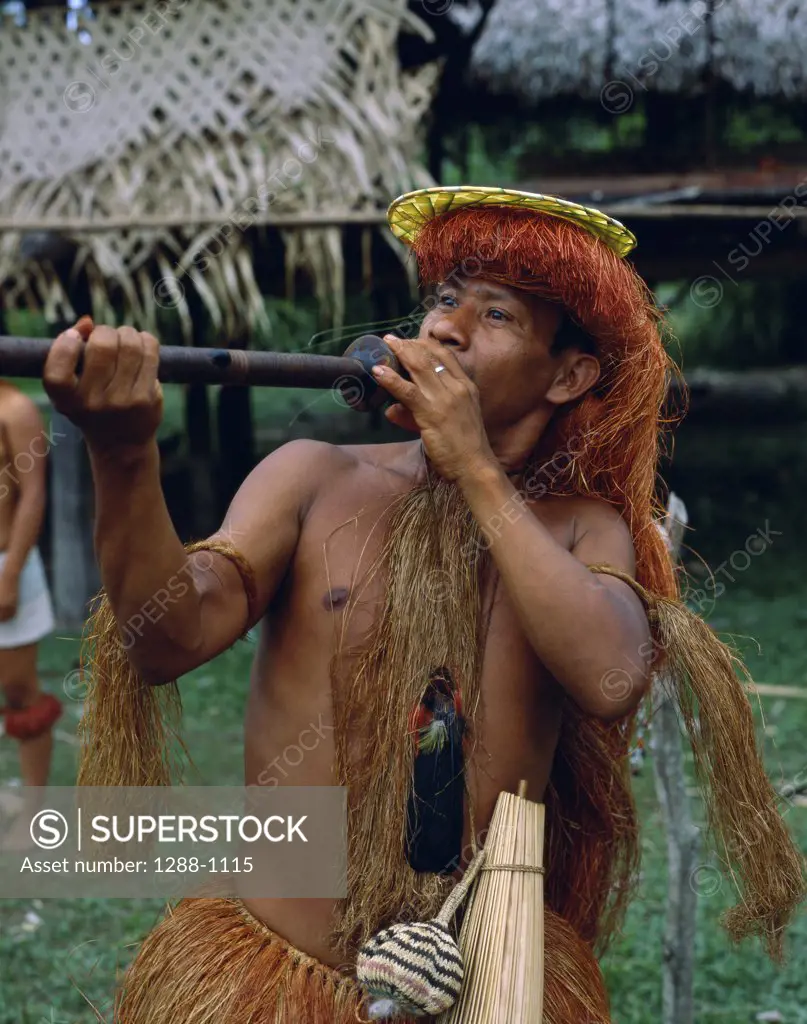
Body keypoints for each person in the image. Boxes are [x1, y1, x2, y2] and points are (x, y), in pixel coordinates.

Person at [44, 187, 803, 1023]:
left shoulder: (582, 530)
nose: (445, 327)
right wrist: (122, 456)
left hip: (485, 978)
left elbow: (610, 676)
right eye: (444, 300)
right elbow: (165, 640)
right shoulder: (312, 477)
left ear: (570, 376)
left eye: (497, 315)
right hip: (269, 977)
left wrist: (476, 471)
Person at [0, 377, 60, 848]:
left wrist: (11, 573)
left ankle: (34, 812)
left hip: (7, 563)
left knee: (20, 689)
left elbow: (32, 495)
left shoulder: (15, 408)